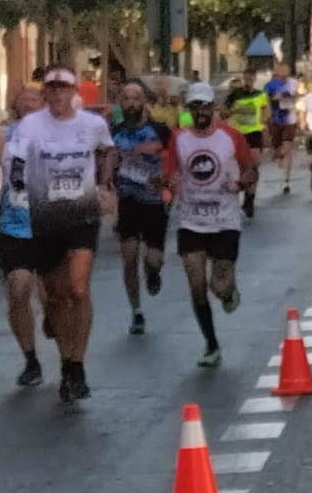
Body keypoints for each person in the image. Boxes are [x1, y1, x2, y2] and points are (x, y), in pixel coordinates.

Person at [16, 63, 115, 402]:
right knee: (56, 298)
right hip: (45, 218)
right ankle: (66, 361)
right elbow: (17, 159)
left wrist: (105, 185)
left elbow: (107, 150)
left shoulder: (92, 124)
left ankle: (79, 364)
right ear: (44, 93)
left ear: (74, 92)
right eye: (52, 88)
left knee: (78, 288)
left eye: (64, 88)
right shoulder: (31, 125)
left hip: (82, 216)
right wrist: (17, 189)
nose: (58, 93)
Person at [166, 82, 257, 370]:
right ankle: (211, 343)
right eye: (195, 107)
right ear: (189, 109)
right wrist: (171, 182)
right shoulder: (178, 139)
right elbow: (168, 173)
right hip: (191, 220)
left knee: (218, 286)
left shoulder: (232, 137)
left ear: (214, 108)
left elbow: (251, 169)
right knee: (195, 283)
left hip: (224, 220)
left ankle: (229, 290)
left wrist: (240, 183)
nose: (200, 112)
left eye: (205, 106)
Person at [0, 82, 47, 386]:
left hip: (50, 226)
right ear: (17, 106)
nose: (31, 105)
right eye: (25, 101)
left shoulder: (56, 136)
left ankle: (60, 339)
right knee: (18, 290)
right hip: (14, 226)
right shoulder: (3, 138)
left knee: (54, 299)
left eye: (36, 100)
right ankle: (31, 359)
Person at [110, 78, 173, 336]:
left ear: (143, 102)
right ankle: (136, 311)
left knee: (152, 259)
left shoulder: (160, 131)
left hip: (155, 202)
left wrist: (169, 183)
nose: (132, 103)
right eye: (127, 98)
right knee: (128, 259)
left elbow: (176, 159)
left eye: (137, 98)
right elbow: (105, 159)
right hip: (127, 202)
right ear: (120, 103)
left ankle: (153, 271)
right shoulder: (113, 132)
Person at [224, 70, 267, 218]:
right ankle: (241, 190)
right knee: (240, 167)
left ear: (254, 79)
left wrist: (264, 125)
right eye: (246, 78)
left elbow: (266, 112)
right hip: (238, 134)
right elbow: (223, 112)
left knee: (254, 165)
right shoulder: (235, 95)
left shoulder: (260, 95)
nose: (248, 81)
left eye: (250, 78)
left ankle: (250, 198)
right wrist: (233, 111)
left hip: (254, 133)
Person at [263, 61, 300, 195]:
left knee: (287, 149)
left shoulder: (294, 83)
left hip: (290, 120)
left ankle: (286, 181)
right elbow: (265, 100)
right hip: (275, 120)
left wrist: (293, 96)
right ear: (277, 70)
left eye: (287, 69)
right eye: (281, 69)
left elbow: (299, 97)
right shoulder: (270, 85)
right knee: (278, 151)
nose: (284, 71)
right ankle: (278, 155)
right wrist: (275, 98)